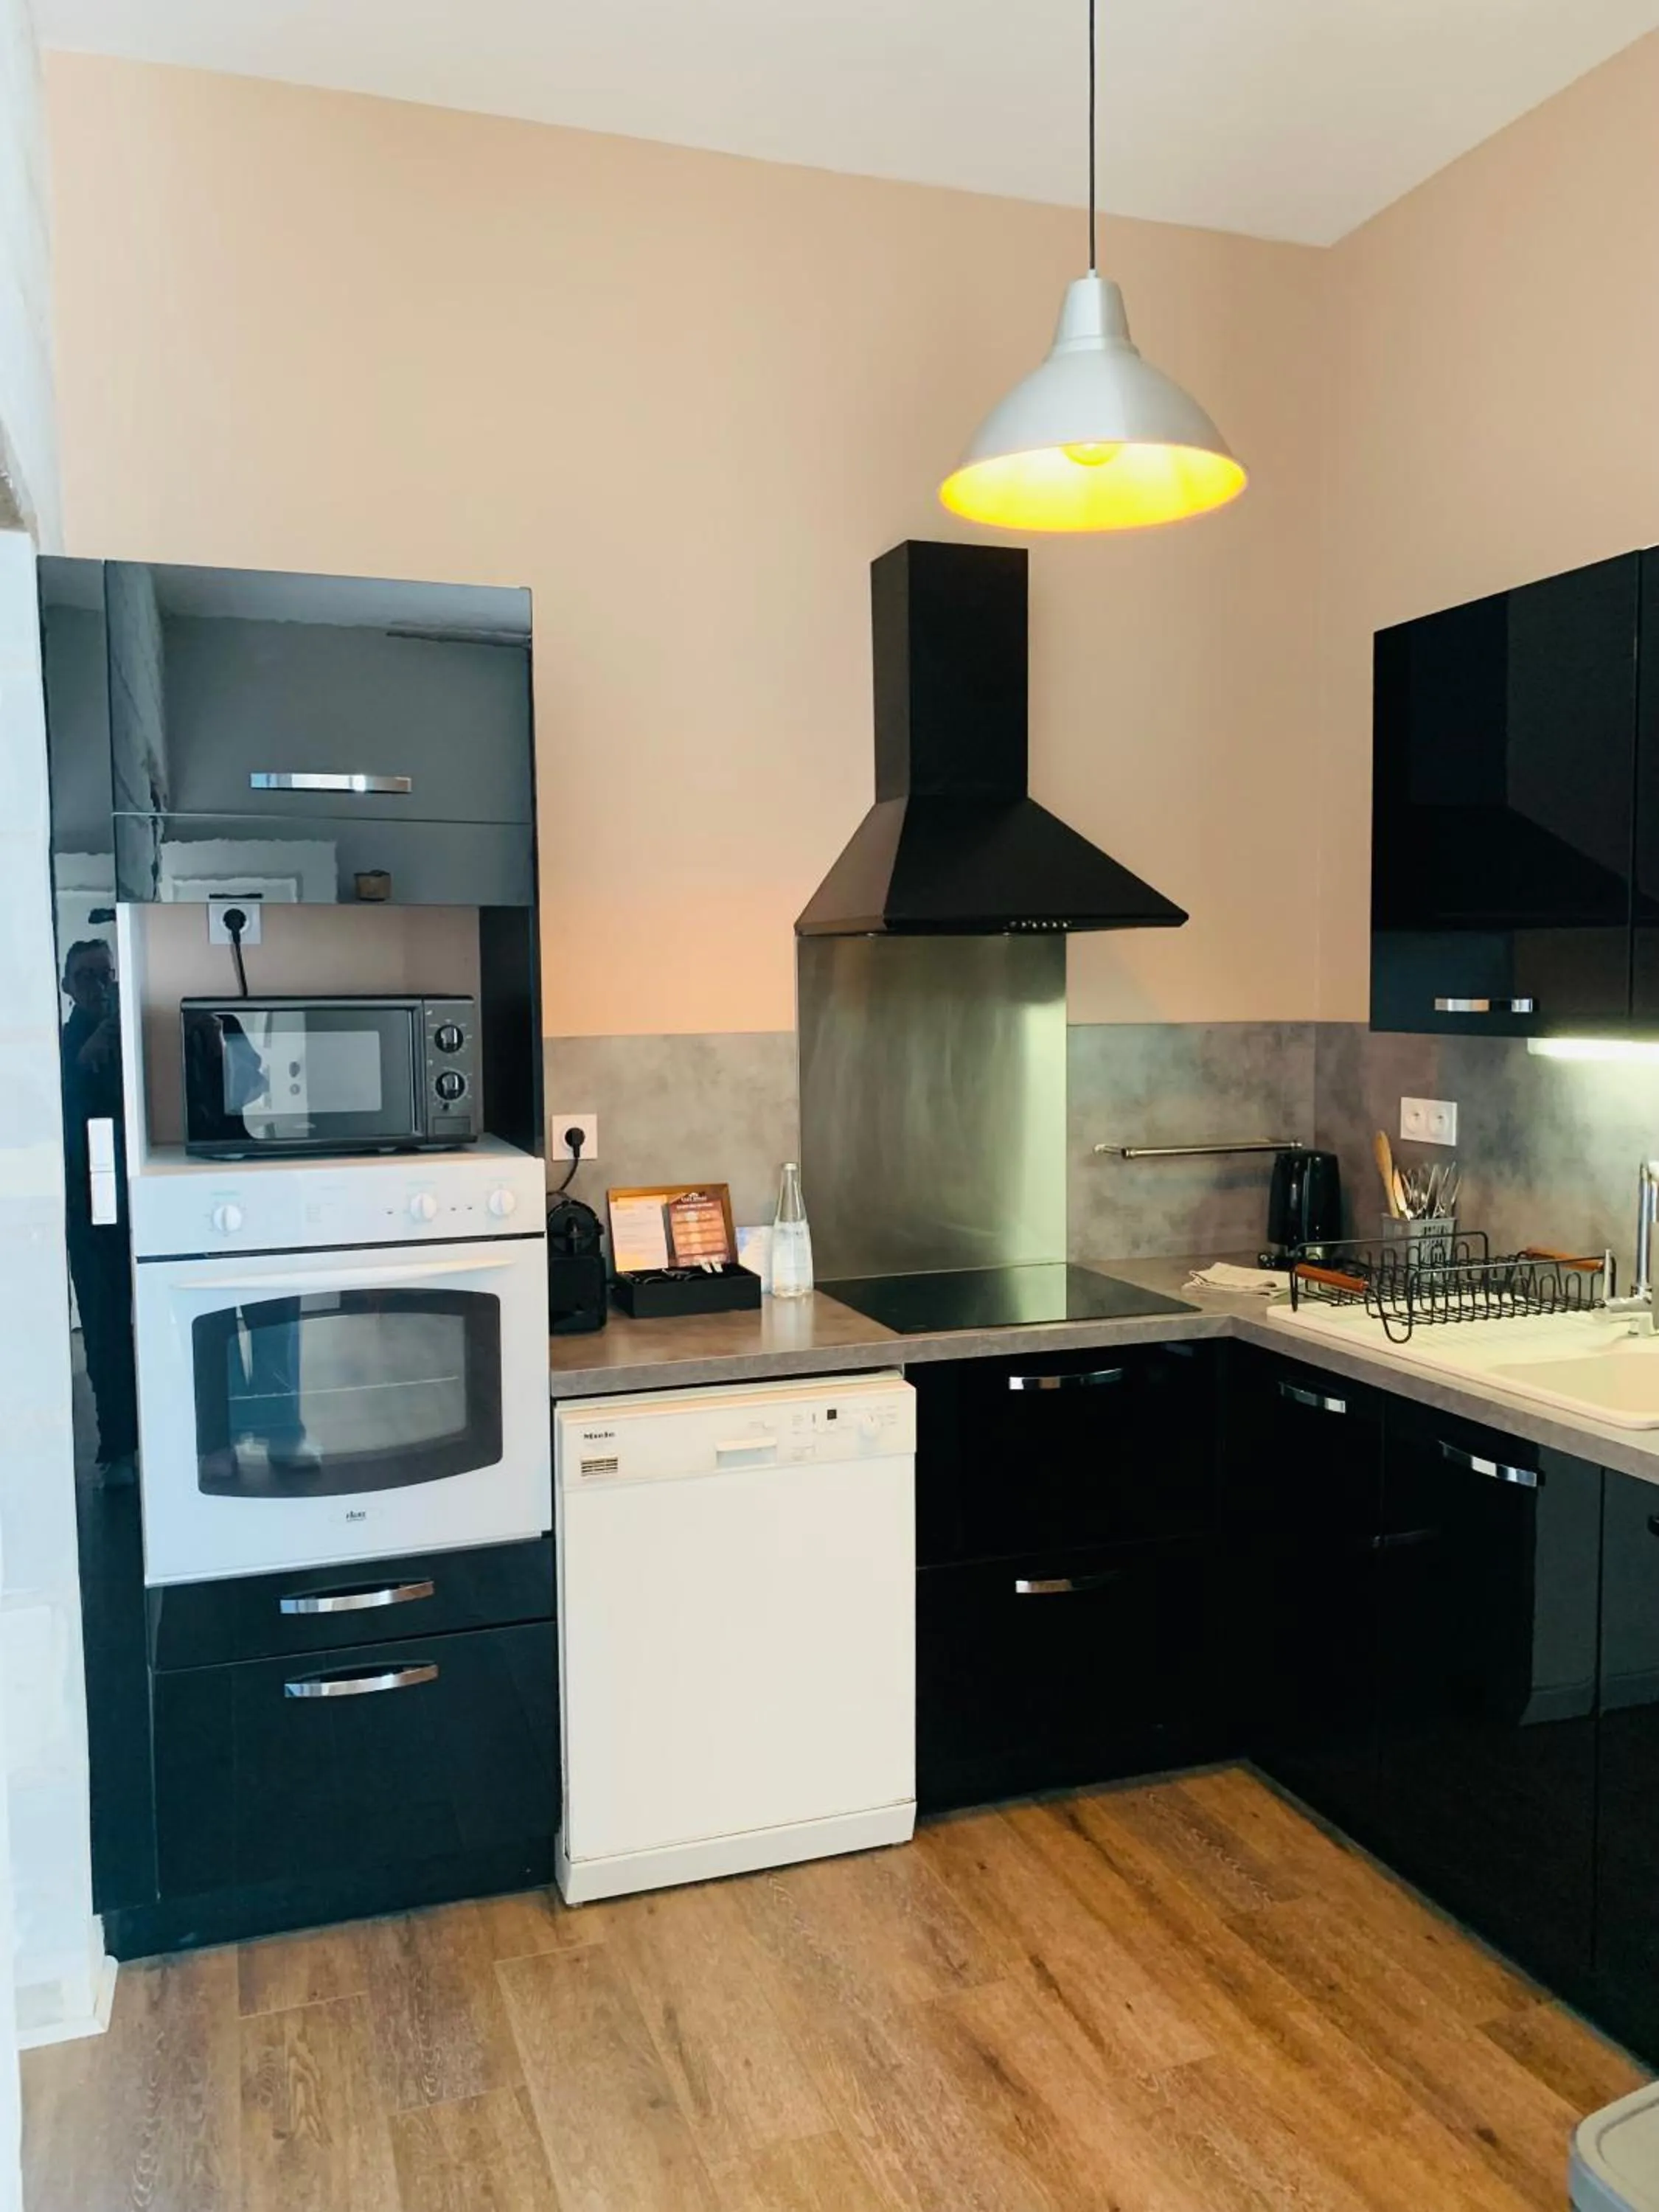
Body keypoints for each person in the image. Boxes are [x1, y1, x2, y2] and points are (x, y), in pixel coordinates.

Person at [60, 939, 138, 1486]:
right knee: (104, 1326)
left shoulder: (134, 1033)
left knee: (158, 1317)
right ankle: (118, 1445)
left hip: (140, 1196)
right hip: (85, 1204)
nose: (97, 985)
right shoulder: (57, 1044)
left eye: (106, 974)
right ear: (67, 986)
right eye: (85, 976)